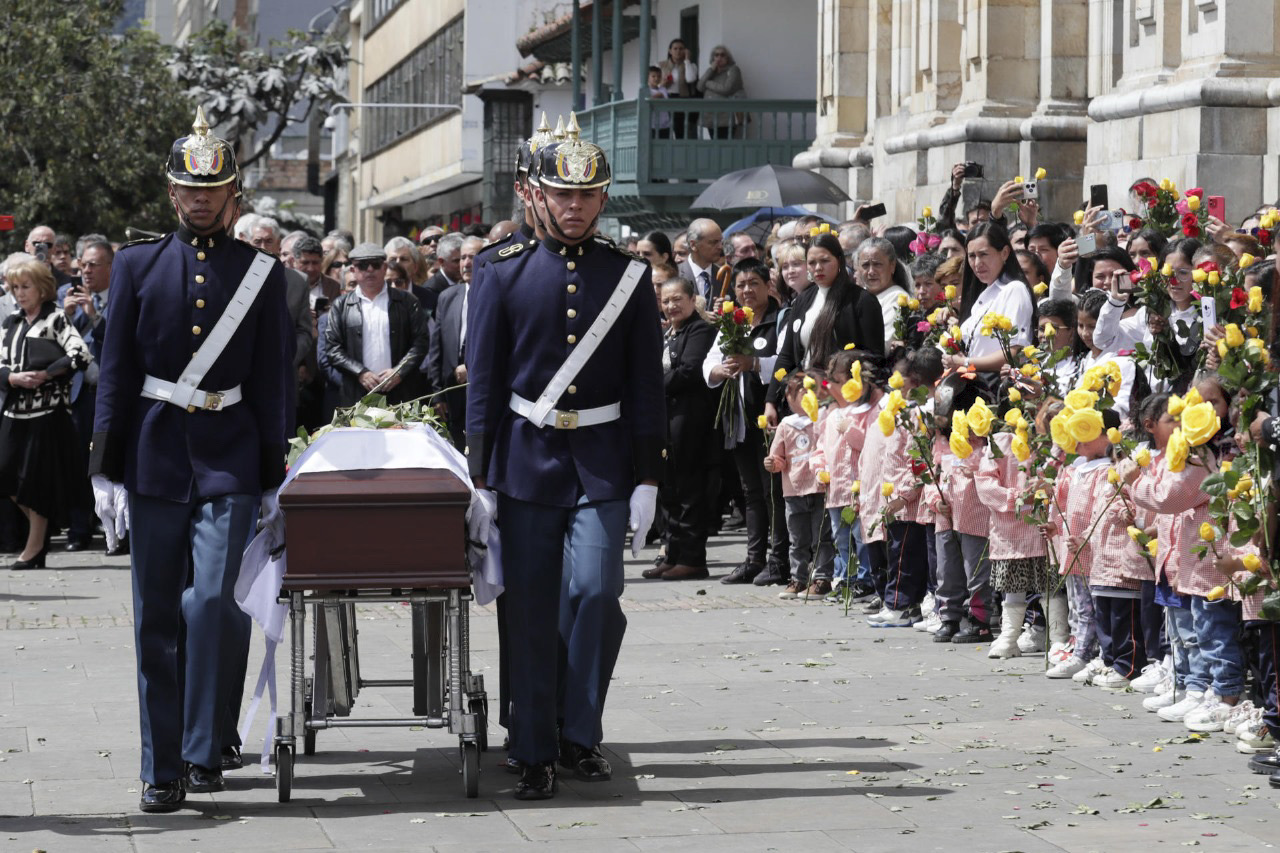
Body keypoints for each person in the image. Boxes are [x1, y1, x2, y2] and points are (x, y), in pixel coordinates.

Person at [89, 107, 294, 812]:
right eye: (189, 188)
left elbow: (272, 381)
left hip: (230, 456)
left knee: (211, 601)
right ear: (172, 193)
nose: (201, 199)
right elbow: (115, 371)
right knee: (155, 616)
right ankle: (162, 766)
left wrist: (274, 475)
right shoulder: (139, 265)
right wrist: (103, 467)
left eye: (214, 189)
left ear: (233, 194)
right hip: (152, 452)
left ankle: (207, 748)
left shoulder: (260, 273)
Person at [466, 116, 664, 800]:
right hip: (524, 460)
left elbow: (646, 384)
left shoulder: (628, 275)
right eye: (562, 195)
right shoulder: (497, 271)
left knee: (594, 591)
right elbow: (485, 383)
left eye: (587, 196)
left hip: (604, 461)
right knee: (528, 608)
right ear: (538, 196)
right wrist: (480, 476)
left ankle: (580, 730)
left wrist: (647, 476)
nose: (574, 207)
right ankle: (534, 749)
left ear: (603, 198)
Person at [0, 258, 92, 567]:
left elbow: (80, 354)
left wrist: (47, 374)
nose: (20, 293)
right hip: (14, 412)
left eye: (25, 287)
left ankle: (35, 548)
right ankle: (36, 543)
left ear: (42, 288)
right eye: (15, 288)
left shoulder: (56, 319)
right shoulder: (10, 321)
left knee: (34, 482)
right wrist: (13, 378)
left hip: (47, 414)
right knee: (5, 475)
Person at [704, 258, 789, 586]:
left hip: (769, 416)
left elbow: (784, 361)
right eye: (741, 285)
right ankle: (754, 558)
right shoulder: (732, 321)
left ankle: (779, 558)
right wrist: (719, 370)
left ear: (768, 285)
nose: (747, 290)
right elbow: (711, 360)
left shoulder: (779, 318)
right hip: (738, 418)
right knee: (750, 490)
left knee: (774, 490)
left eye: (754, 283)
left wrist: (753, 363)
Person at [765, 232, 886, 427]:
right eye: (812, 262)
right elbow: (787, 355)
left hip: (844, 400)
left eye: (824, 260)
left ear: (839, 261)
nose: (818, 268)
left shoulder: (861, 301)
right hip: (803, 398)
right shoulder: (803, 300)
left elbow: (875, 357)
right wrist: (770, 401)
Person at [646, 276, 717, 581]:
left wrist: (648, 384)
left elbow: (689, 372)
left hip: (690, 421)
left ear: (692, 300)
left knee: (689, 491)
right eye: (666, 300)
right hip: (667, 421)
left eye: (677, 299)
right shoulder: (668, 334)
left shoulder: (700, 329)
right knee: (670, 492)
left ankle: (692, 558)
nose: (671, 306)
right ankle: (672, 553)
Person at [322, 242, 431, 408]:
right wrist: (360, 373)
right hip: (356, 394)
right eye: (363, 265)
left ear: (385, 267)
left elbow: (421, 342)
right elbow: (332, 348)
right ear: (353, 270)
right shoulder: (341, 305)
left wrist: (399, 372)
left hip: (400, 392)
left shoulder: (407, 301)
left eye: (376, 264)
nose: (370, 270)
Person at [426, 235, 484, 450]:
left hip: (481, 387)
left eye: (473, 257)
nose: (466, 263)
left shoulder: (497, 294)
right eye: (462, 258)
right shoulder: (448, 296)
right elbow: (436, 348)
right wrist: (437, 394)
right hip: (452, 392)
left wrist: (472, 368)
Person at [698, 45, 745, 138]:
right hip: (710, 115)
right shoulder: (712, 71)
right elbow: (699, 87)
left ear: (728, 58)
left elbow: (726, 89)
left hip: (726, 116)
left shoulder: (733, 69)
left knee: (725, 146)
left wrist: (708, 83)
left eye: (722, 55)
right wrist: (711, 69)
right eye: (716, 55)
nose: (719, 58)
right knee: (715, 145)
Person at [659, 38, 697, 138]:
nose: (678, 51)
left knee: (681, 130)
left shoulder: (691, 65)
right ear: (670, 51)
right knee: (665, 129)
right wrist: (663, 83)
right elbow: (655, 84)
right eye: (675, 48)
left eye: (681, 49)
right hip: (666, 99)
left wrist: (687, 60)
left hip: (683, 99)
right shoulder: (661, 65)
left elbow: (691, 79)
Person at [680, 219, 724, 302]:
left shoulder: (725, 276)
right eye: (713, 242)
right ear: (693, 245)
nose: (720, 247)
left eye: (720, 241)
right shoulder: (675, 275)